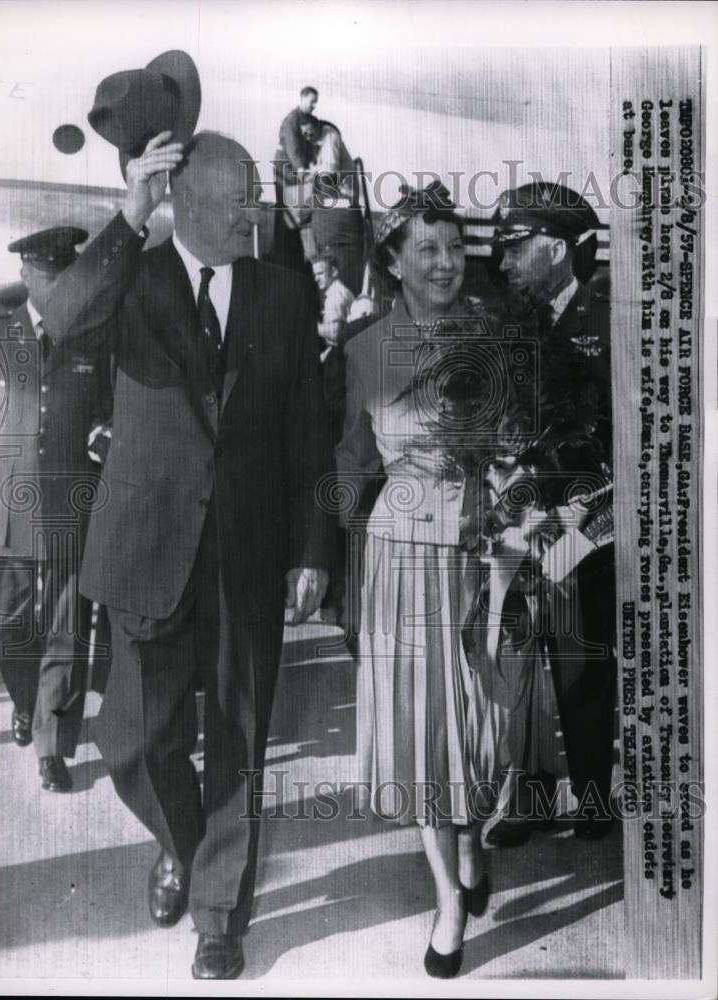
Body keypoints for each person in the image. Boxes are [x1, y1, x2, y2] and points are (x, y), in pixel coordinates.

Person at [42, 126, 333, 979]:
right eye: (240, 192)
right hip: (146, 548)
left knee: (237, 731)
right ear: (186, 199)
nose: (256, 205)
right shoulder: (133, 276)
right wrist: (129, 212)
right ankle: (183, 842)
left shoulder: (282, 296)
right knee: (131, 736)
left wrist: (312, 543)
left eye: (255, 190)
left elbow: (305, 429)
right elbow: (62, 323)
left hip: (243, 551)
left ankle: (218, 911)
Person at [336, 184, 505, 979]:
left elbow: (532, 446)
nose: (445, 263)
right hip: (400, 559)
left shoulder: (499, 338)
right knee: (421, 730)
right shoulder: (363, 351)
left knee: (486, 723)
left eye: (454, 247)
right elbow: (348, 463)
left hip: (486, 553)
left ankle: (471, 836)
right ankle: (445, 897)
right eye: (426, 249)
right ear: (393, 261)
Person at [484, 181, 615, 844]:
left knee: (580, 662)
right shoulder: (511, 330)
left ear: (557, 248)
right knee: (522, 665)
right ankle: (528, 800)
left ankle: (595, 797)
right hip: (517, 528)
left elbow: (631, 449)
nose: (502, 263)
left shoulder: (608, 325)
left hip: (585, 532)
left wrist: (575, 526)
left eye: (513, 248)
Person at [0, 226, 112, 792]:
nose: (58, 285)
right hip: (11, 504)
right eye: (47, 275)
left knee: (66, 625)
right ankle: (23, 699)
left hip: (69, 499)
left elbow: (109, 410)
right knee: (11, 623)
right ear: (25, 276)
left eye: (66, 274)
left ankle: (53, 744)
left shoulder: (91, 337)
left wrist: (101, 431)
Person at [273, 86, 320, 194]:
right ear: (303, 98)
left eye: (315, 102)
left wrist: (312, 162)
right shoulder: (292, 120)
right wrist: (300, 167)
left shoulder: (310, 120)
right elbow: (292, 147)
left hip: (298, 165)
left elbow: (309, 143)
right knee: (286, 202)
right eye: (312, 102)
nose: (314, 106)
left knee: (300, 201)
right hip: (285, 165)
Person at [312, 252, 355, 354]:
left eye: (320, 273)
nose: (316, 279)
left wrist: (310, 325)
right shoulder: (340, 290)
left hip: (342, 352)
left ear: (334, 272)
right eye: (314, 275)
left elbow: (334, 333)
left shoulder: (335, 295)